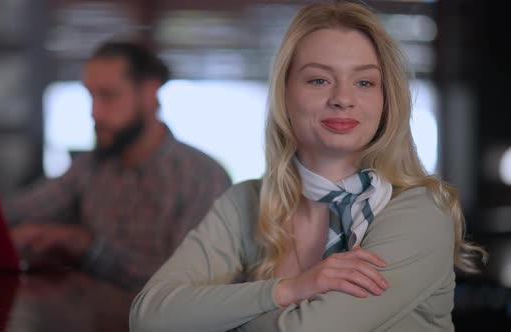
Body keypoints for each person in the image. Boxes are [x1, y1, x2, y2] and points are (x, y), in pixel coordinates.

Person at [129, 2, 487, 331]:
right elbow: (149, 317)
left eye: (364, 82)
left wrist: (211, 317)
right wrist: (288, 290)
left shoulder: (420, 211)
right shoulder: (246, 201)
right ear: (285, 92)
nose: (343, 99)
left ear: (386, 99)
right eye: (319, 80)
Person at [2, 41, 232, 292]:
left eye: (108, 96)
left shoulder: (201, 177)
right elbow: (24, 208)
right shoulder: (90, 167)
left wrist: (87, 246)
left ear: (149, 92)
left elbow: (184, 287)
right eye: (90, 95)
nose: (94, 113)